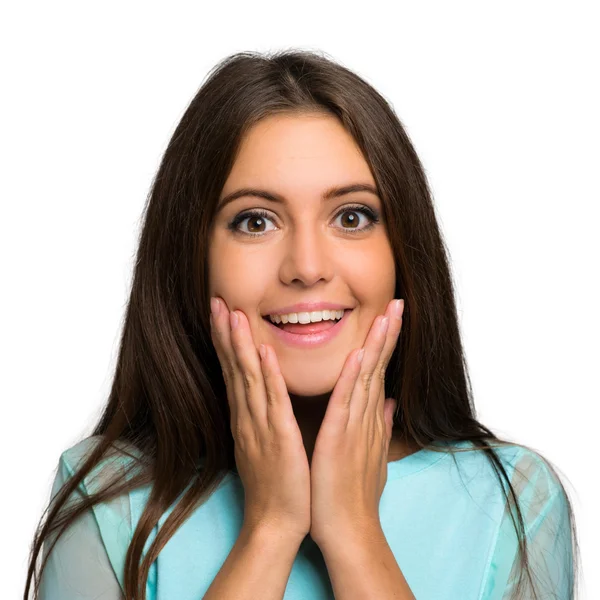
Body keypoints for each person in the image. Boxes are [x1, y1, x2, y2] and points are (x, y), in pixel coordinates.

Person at [24, 49, 579, 600]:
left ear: (403, 253)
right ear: (190, 257)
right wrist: (269, 529)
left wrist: (355, 534)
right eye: (256, 221)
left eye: (352, 217)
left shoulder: (516, 501)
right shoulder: (106, 498)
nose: (307, 267)